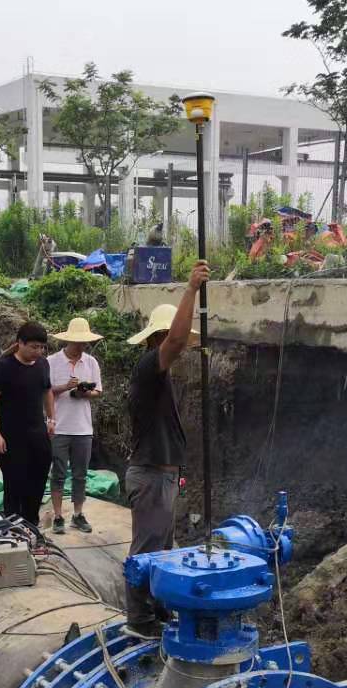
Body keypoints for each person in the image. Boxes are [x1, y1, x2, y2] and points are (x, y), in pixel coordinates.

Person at [123, 260, 210, 638]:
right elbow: (175, 342)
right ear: (159, 337)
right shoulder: (148, 368)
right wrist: (190, 290)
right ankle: (139, 620)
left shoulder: (158, 378)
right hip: (152, 474)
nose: (182, 345)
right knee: (147, 550)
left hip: (163, 474)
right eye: (175, 337)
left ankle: (157, 610)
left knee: (161, 549)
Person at [0, 322, 54, 527]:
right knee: (15, 482)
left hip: (38, 432)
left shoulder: (43, 364)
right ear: (20, 343)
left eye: (41, 347)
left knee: (38, 478)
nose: (38, 351)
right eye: (33, 347)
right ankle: (12, 526)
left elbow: (47, 391)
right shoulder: (4, 367)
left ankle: (31, 524)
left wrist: (51, 419)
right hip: (12, 435)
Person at [46, 316, 104, 535]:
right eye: (77, 341)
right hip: (59, 426)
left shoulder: (91, 362)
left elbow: (98, 391)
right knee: (58, 474)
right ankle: (58, 515)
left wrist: (84, 393)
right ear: (68, 340)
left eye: (84, 342)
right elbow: (45, 391)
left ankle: (78, 514)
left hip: (83, 428)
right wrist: (65, 387)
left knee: (81, 474)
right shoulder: (52, 361)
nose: (81, 345)